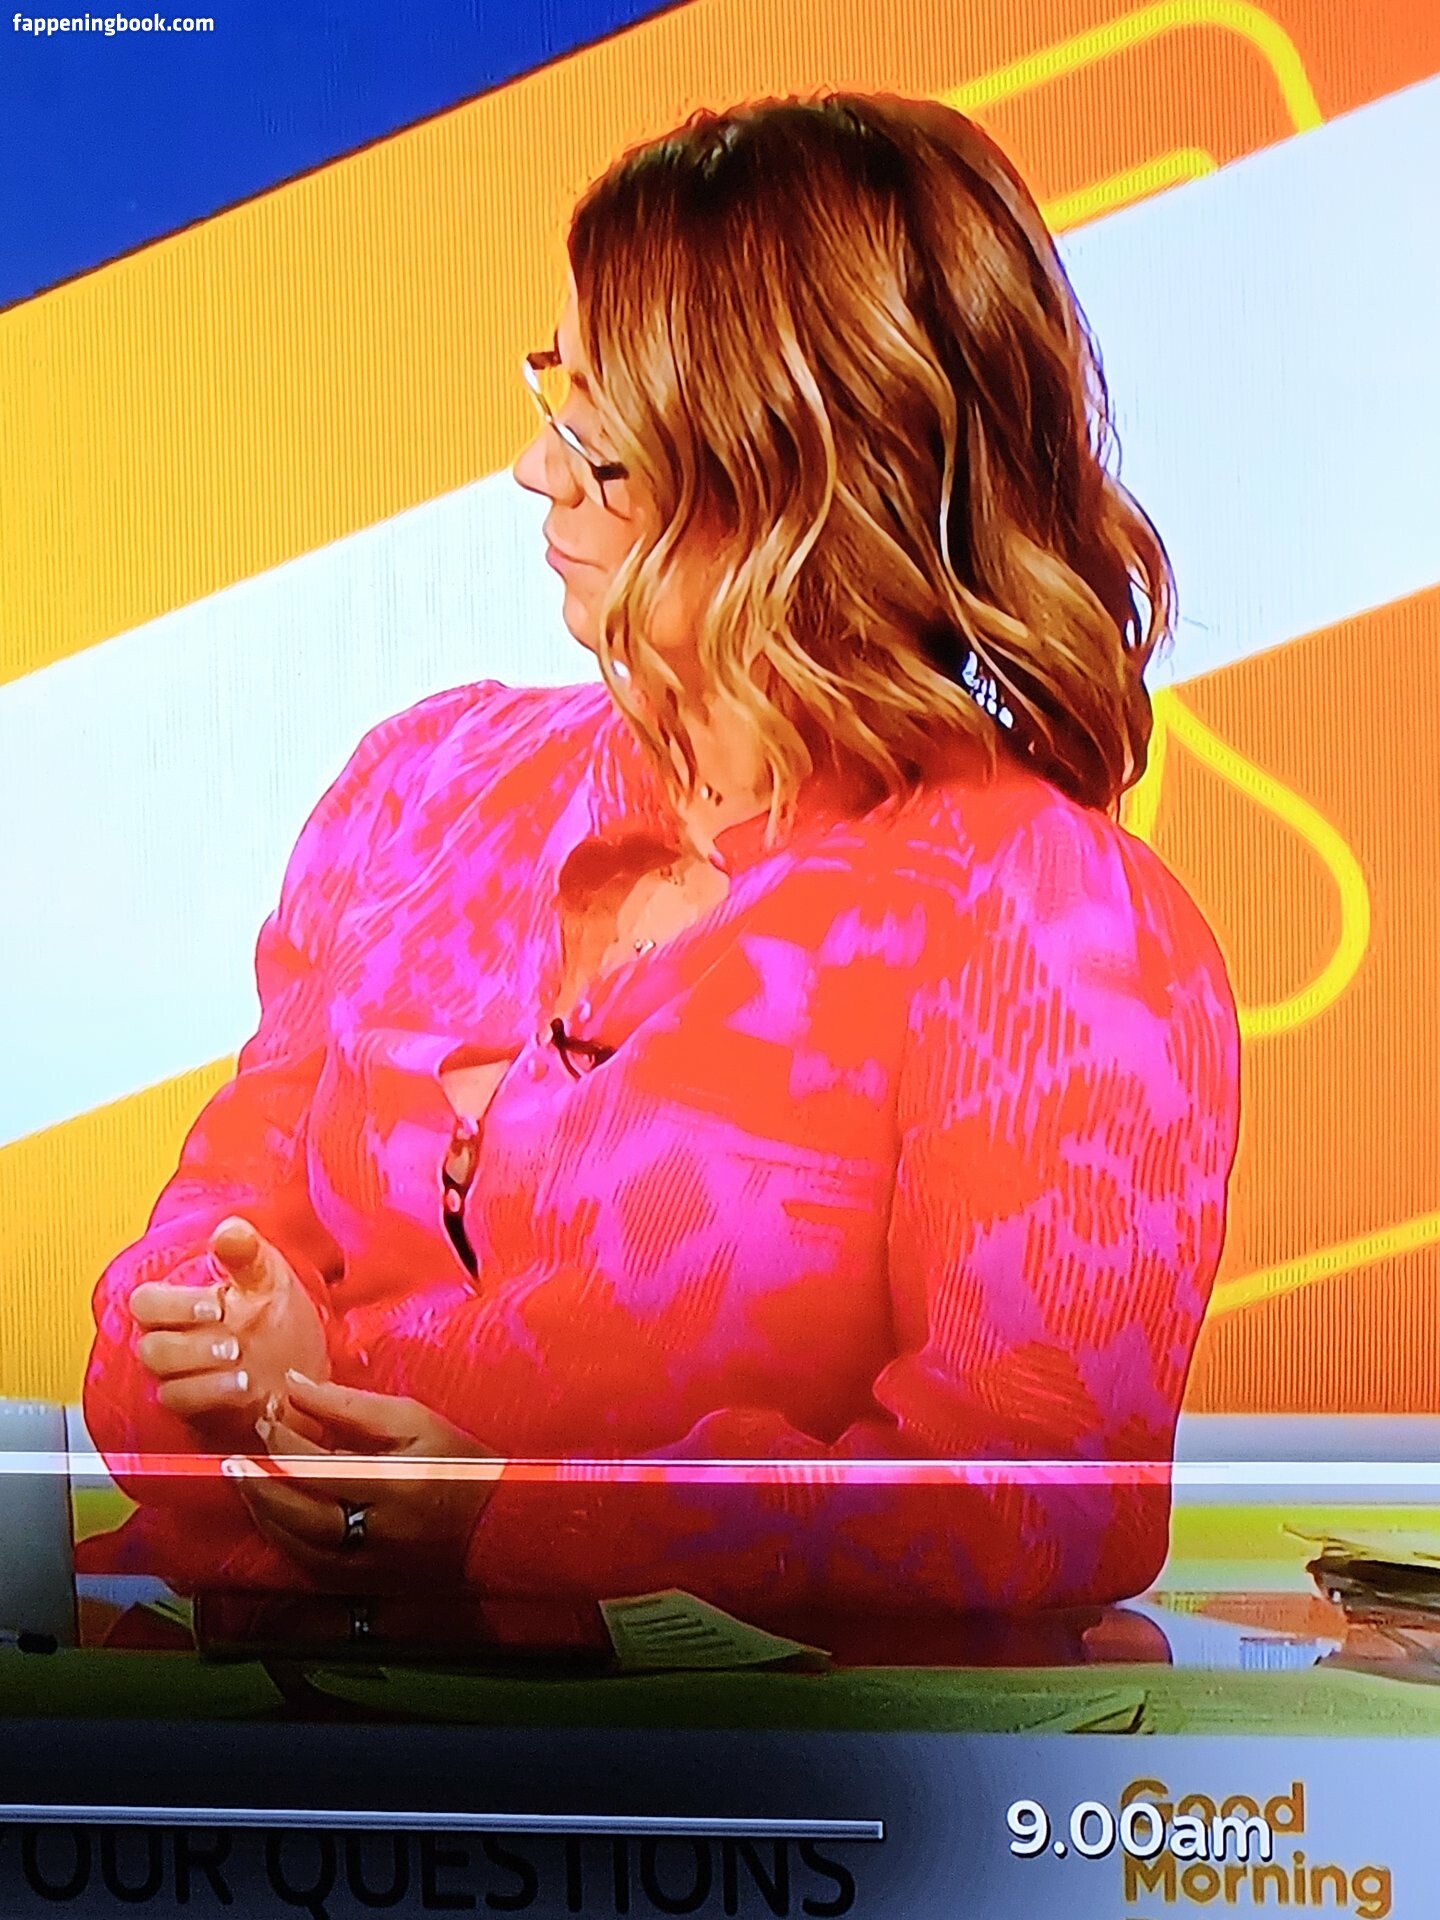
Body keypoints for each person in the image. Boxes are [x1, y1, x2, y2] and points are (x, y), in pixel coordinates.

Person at [83, 93, 1240, 1617]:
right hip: (209, 1708)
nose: (534, 471)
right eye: (557, 395)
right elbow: (177, 1270)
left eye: (605, 444)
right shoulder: (424, 788)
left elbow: (1043, 1505)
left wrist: (531, 1520)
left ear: (809, 481)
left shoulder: (1050, 924)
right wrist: (241, 1360)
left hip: (685, 1764)